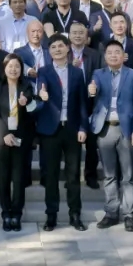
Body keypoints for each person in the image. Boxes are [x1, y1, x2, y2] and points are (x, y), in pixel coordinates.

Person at [88, 40, 133, 231]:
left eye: (117, 52)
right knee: (109, 175)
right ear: (105, 56)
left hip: (126, 129)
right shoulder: (98, 74)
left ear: (123, 56)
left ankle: (129, 215)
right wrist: (92, 92)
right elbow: (94, 93)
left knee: (129, 175)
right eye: (110, 52)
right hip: (105, 129)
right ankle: (111, 213)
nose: (113, 55)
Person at [36, 34, 90, 231]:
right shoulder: (43, 71)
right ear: (49, 51)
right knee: (50, 175)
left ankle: (75, 214)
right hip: (50, 130)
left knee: (73, 175)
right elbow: (40, 93)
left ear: (68, 48)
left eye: (61, 46)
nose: (57, 49)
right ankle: (51, 215)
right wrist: (41, 95)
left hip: (72, 129)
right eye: (53, 47)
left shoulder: (77, 72)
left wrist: (83, 127)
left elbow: (83, 102)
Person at [0, 54, 37, 231]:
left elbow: (33, 111)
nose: (14, 69)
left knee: (18, 179)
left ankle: (16, 214)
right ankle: (6, 213)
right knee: (3, 179)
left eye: (17, 66)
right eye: (10, 66)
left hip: (21, 139)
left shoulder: (27, 87)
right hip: (2, 138)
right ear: (4, 68)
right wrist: (4, 133)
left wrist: (27, 102)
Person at [67, 24, 104, 189]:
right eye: (74, 33)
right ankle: (72, 177)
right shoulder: (64, 53)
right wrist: (71, 67)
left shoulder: (95, 54)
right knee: (71, 145)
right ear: (69, 36)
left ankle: (91, 176)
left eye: (81, 33)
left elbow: (100, 74)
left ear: (87, 36)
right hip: (70, 104)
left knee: (91, 144)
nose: (77, 35)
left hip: (90, 103)